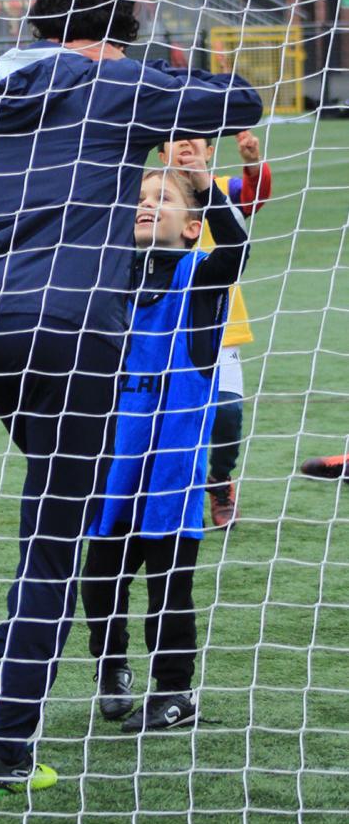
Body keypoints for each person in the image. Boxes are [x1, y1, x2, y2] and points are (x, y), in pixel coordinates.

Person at [0, 0, 263, 793]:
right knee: (51, 539)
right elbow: (244, 99)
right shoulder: (115, 79)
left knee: (58, 501)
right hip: (75, 318)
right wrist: (160, 87)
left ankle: (11, 679)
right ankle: (9, 744)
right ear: (110, 39)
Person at [82, 164, 249, 734]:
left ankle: (176, 693)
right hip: (111, 462)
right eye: (141, 198)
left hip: (173, 471)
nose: (148, 204)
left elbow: (238, 248)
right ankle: (112, 670)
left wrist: (204, 184)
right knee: (100, 579)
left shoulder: (199, 277)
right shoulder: (108, 278)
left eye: (164, 198)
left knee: (168, 590)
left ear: (190, 226)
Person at [159, 130, 273, 529]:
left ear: (210, 151)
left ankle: (220, 481)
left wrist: (253, 161)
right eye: (175, 140)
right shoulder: (148, 192)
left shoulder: (224, 189)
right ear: (161, 153)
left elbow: (256, 194)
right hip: (158, 325)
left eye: (196, 140)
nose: (186, 145)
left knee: (226, 412)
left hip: (219, 328)